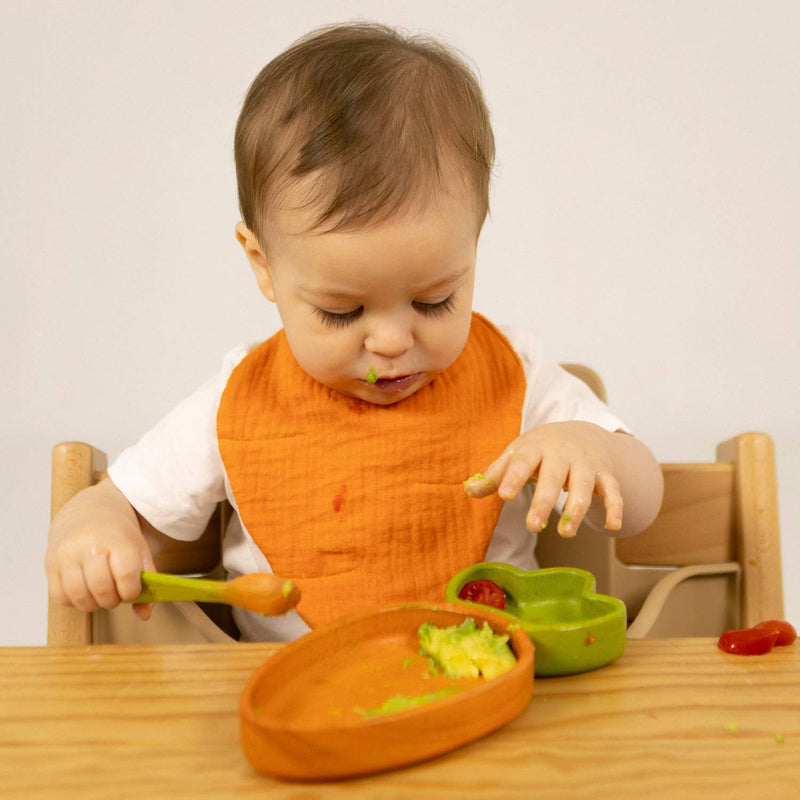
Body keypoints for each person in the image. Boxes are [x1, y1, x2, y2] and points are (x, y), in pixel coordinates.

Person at [45, 22, 664, 641]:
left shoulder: (514, 377)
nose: (391, 342)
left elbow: (641, 508)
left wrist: (594, 451)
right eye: (342, 313)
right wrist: (96, 528)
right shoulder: (242, 400)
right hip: (292, 699)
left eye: (434, 300)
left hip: (486, 679)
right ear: (263, 265)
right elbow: (124, 501)